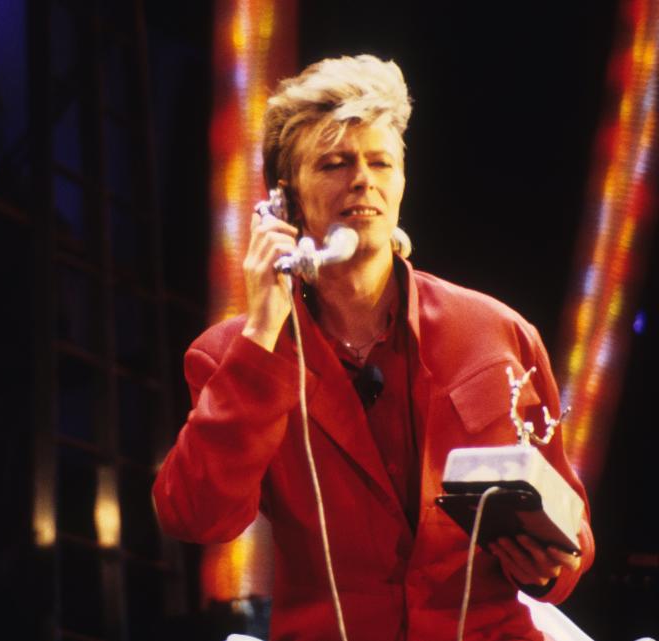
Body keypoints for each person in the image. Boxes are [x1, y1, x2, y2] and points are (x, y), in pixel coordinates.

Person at [152, 55, 594, 641]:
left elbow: (574, 530)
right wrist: (262, 336)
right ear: (283, 202)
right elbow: (195, 515)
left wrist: (548, 572)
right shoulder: (229, 355)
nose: (363, 178)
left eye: (380, 161)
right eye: (335, 163)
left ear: (402, 182)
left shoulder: (494, 330)